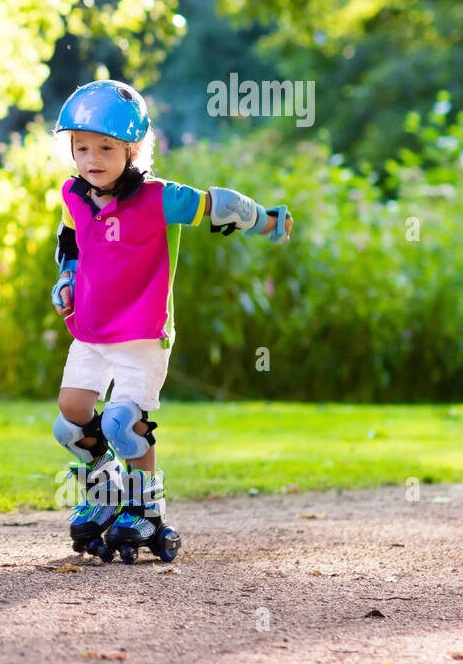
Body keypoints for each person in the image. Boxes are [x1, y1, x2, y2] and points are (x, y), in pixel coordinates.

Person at [50, 79, 293, 564]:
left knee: (122, 423)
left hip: (142, 332)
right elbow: (72, 241)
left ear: (133, 150)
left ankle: (146, 509)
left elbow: (217, 205)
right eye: (82, 147)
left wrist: (267, 220)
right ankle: (105, 490)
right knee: (70, 419)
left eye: (106, 147)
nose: (92, 158)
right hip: (92, 329)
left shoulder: (159, 197)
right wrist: (67, 279)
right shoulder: (74, 195)